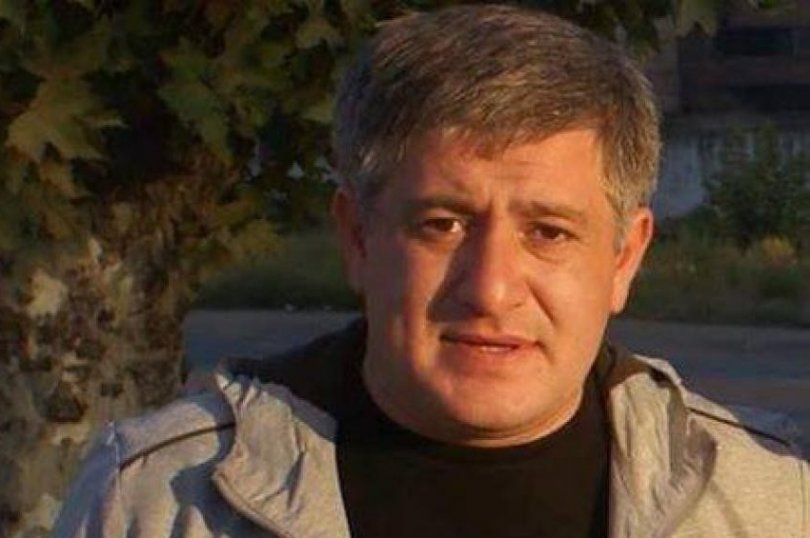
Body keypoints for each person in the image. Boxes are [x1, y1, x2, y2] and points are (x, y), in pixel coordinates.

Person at [54, 5, 808, 537]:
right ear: (357, 237)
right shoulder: (155, 502)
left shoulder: (774, 503)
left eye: (548, 232)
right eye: (442, 225)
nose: (490, 288)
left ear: (624, 257)